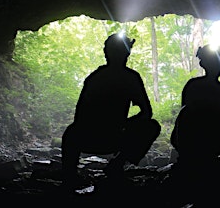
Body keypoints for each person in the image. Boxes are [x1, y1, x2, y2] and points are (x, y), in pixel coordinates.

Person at [61, 33, 160, 190]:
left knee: (71, 132)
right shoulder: (131, 78)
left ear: (106, 52)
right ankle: (116, 165)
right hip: (114, 136)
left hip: (92, 136)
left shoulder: (95, 77)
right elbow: (146, 113)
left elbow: (79, 115)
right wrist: (125, 124)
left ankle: (70, 174)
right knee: (151, 126)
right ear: (127, 53)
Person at [171, 45, 220, 169]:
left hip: (197, 136)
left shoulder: (193, 85)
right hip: (196, 136)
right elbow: (185, 115)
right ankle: (200, 156)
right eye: (218, 62)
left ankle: (198, 156)